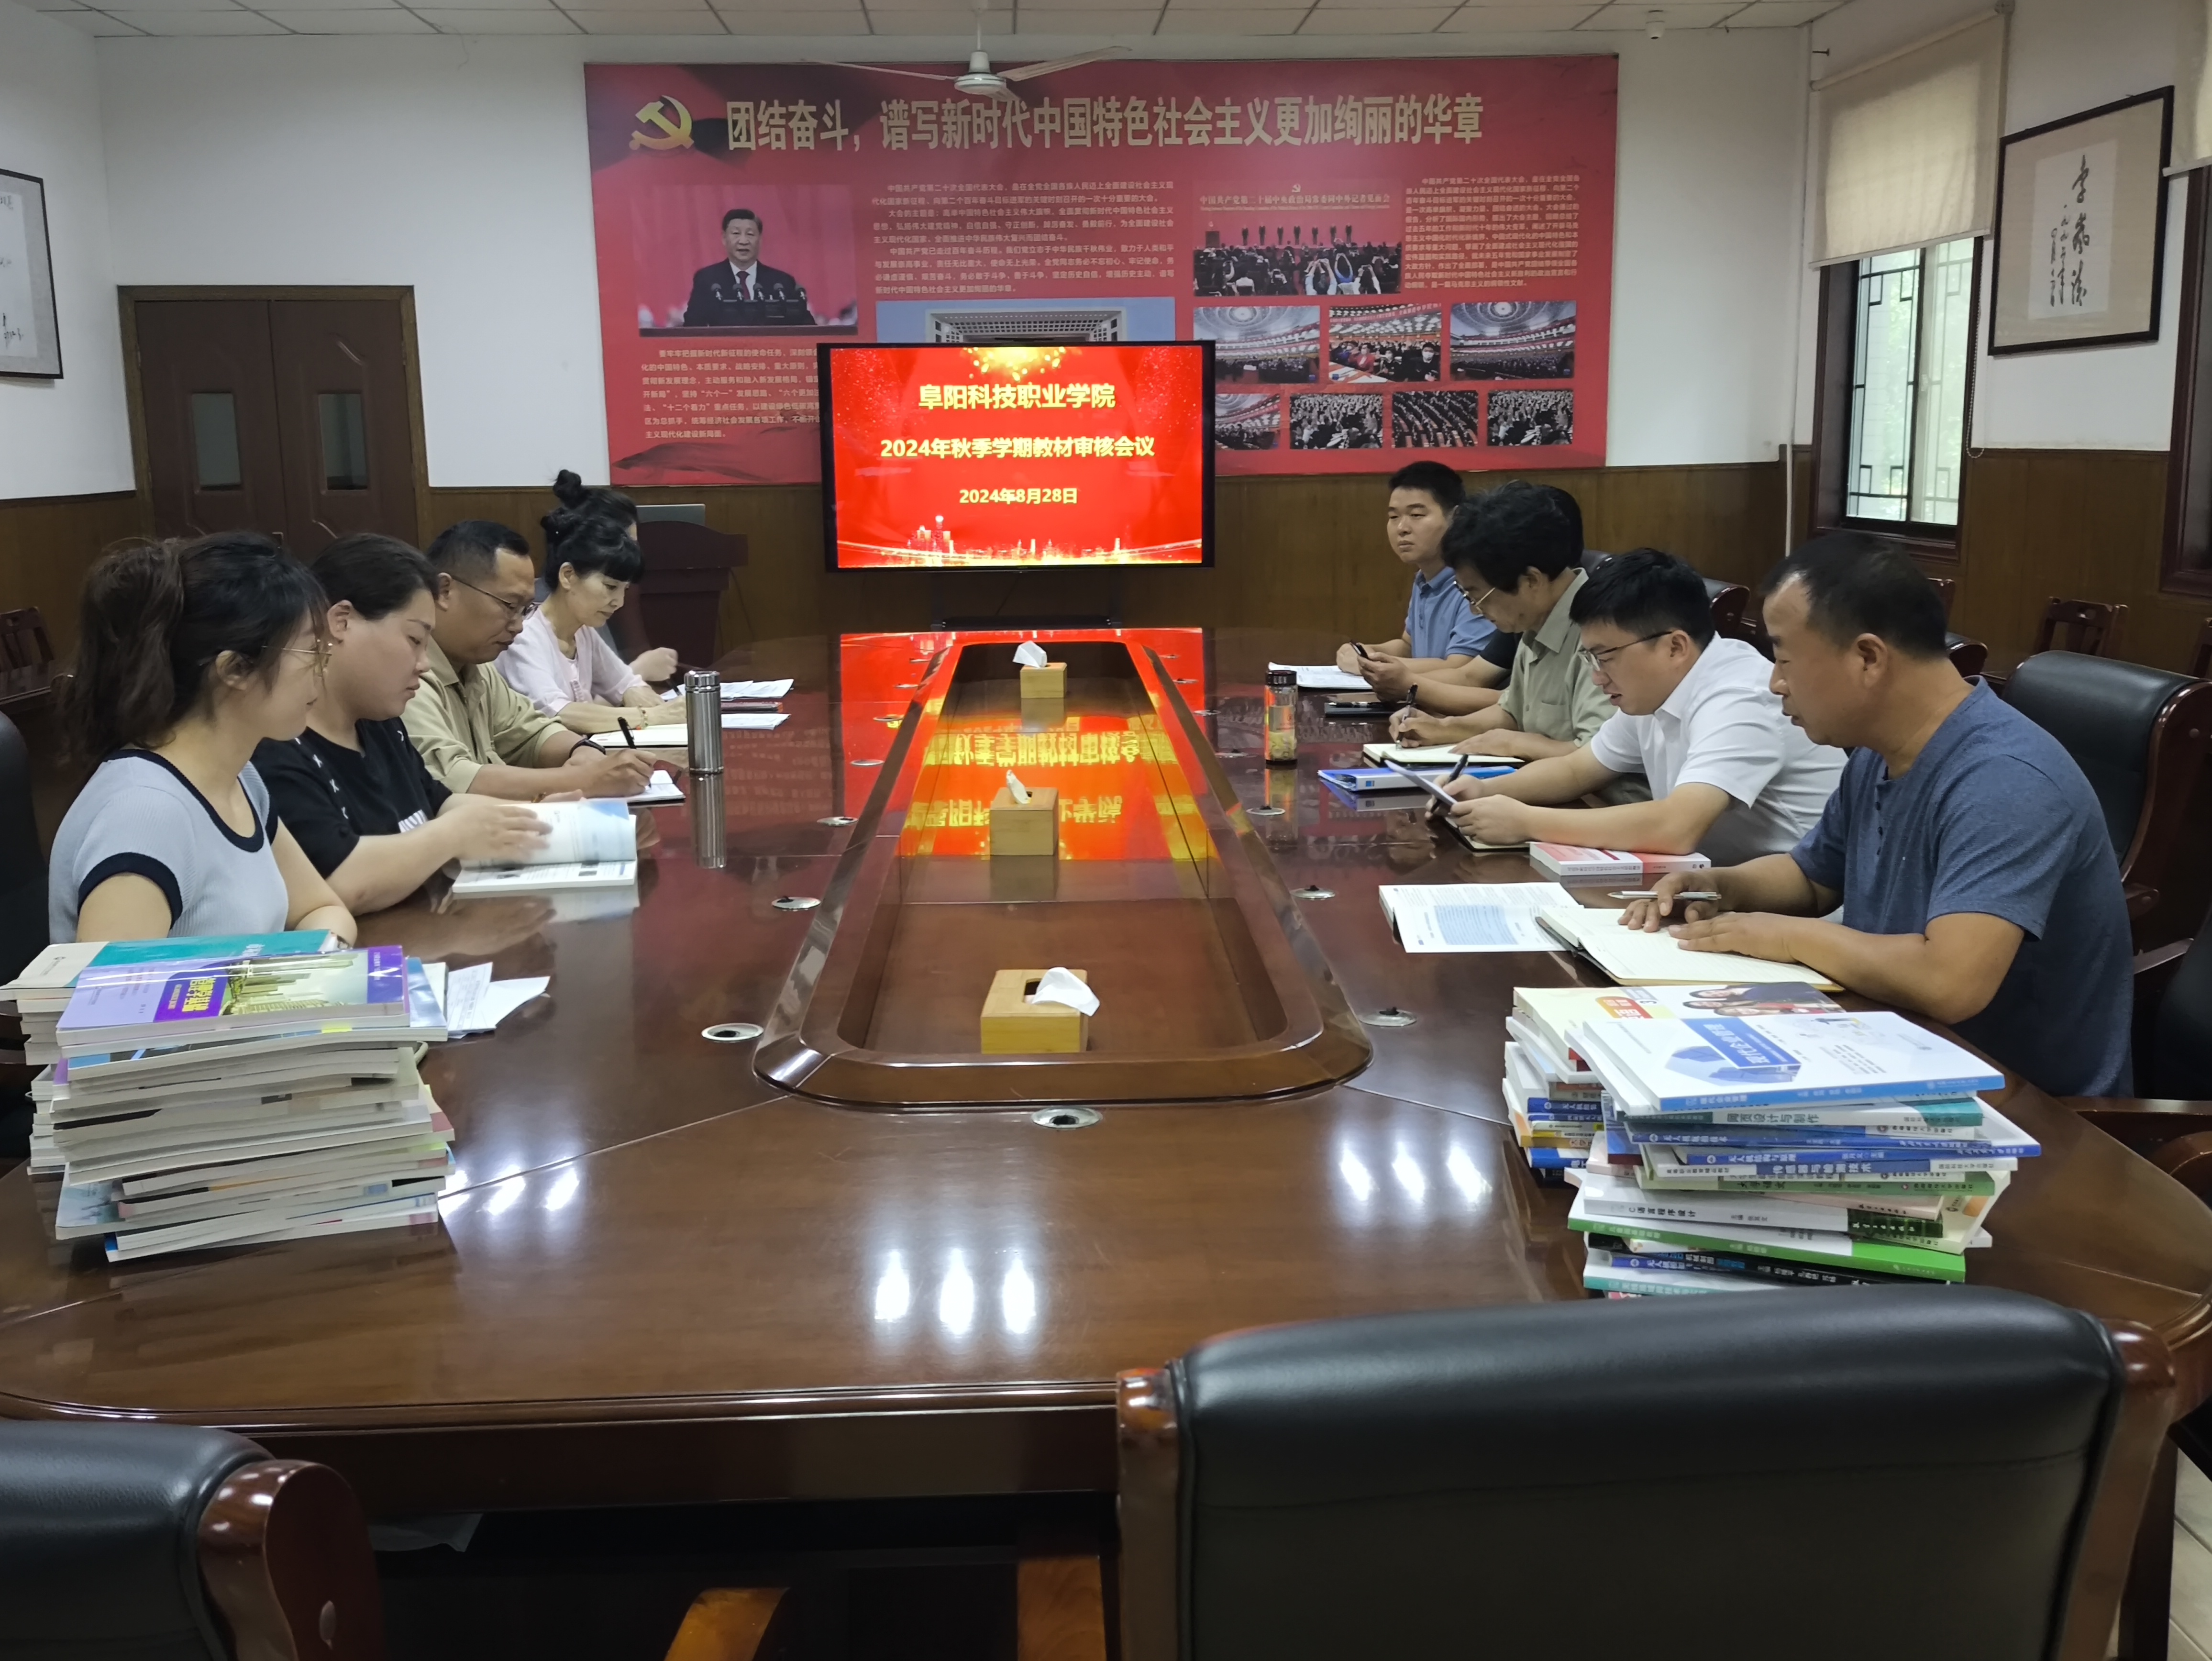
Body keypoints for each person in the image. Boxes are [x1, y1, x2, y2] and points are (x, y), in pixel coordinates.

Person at [1625, 533, 2133, 1097]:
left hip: (2024, 1107)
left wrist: (1785, 936)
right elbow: (1812, 877)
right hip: (1895, 1047)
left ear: (1867, 658)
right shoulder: (1879, 751)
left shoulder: (2005, 779)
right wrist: (1722, 887)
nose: (1775, 683)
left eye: (1785, 658)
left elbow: (1949, 982)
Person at [48, 534, 355, 946]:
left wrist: (316, 967)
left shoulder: (241, 779)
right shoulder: (145, 813)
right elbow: (115, 987)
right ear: (235, 669)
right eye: (310, 651)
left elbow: (322, 908)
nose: (323, 669)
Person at [1445, 549, 1844, 862]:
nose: (1598, 677)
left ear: (1674, 646)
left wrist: (1527, 822)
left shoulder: (1739, 696)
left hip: (1793, 906)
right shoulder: (1655, 692)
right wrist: (1484, 791)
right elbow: (1577, 770)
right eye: (1591, 658)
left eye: (1606, 657)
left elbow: (1677, 827)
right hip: (1716, 883)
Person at [254, 535, 554, 915]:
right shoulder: (276, 746)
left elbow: (440, 803)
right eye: (414, 639)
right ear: (341, 622)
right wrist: (453, 835)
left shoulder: (381, 724)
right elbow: (340, 881)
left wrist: (540, 818)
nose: (424, 664)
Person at [402, 520, 656, 802]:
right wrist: (587, 780)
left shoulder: (478, 667)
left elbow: (531, 731)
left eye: (525, 610)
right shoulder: (407, 675)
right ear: (445, 591)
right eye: (510, 606)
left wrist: (582, 751)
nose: (519, 625)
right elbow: (450, 778)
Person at [1387, 481, 1627, 777]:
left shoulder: (1605, 632)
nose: (1476, 610)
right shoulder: (1535, 619)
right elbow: (1512, 712)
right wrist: (1443, 728)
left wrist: (1516, 743)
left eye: (1479, 597)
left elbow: (1600, 755)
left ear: (1531, 581)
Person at [1332, 461, 1514, 715]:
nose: (1402, 528)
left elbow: (1461, 668)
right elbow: (1408, 646)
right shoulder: (1424, 577)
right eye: (1394, 517)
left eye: (1416, 515)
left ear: (1456, 517)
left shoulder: (1476, 583)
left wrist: (1380, 668)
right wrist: (1369, 652)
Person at [496, 521, 686, 734]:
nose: (619, 602)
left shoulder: (584, 632)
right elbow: (556, 713)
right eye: (611, 587)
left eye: (624, 589)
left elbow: (626, 683)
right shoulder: (524, 636)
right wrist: (653, 716)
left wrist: (659, 705)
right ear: (568, 576)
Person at [542, 470, 678, 686]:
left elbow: (619, 685)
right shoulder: (534, 627)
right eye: (626, 543)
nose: (632, 554)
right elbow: (565, 705)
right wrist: (639, 670)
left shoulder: (587, 629)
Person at [683, 208, 806, 326]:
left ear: (760, 239)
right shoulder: (708, 280)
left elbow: (806, 328)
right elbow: (693, 327)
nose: (743, 241)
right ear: (724, 238)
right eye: (736, 234)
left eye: (750, 234)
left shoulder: (782, 282)